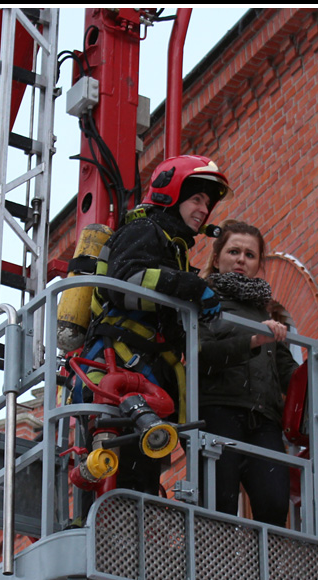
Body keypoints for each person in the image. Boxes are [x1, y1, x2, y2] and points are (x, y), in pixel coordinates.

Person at [79, 154, 233, 496]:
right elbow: (127, 283)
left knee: (139, 479)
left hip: (142, 376)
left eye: (207, 204)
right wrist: (192, 288)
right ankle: (111, 535)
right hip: (119, 369)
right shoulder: (144, 231)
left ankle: (125, 535)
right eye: (196, 199)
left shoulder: (170, 245)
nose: (203, 210)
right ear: (171, 194)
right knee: (121, 476)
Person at [198, 220, 298, 527]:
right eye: (234, 251)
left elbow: (287, 372)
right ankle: (219, 569)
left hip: (264, 418)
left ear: (258, 265)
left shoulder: (264, 314)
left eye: (250, 255)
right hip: (219, 411)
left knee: (274, 502)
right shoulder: (202, 302)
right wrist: (253, 341)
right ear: (217, 259)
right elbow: (201, 355)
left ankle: (266, 572)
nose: (242, 259)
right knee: (220, 503)